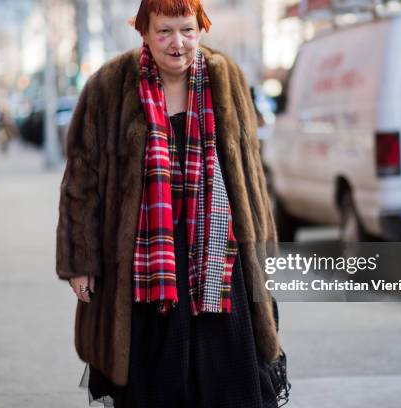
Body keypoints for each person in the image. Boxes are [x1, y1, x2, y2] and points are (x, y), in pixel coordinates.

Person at [56, 1, 284, 407]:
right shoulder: (109, 85)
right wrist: (80, 262)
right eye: (164, 31)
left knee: (228, 380)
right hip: (144, 267)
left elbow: (250, 176)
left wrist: (263, 254)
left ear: (201, 30)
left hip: (219, 258)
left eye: (187, 30)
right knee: (156, 384)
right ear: (144, 31)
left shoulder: (225, 78)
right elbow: (80, 182)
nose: (177, 43)